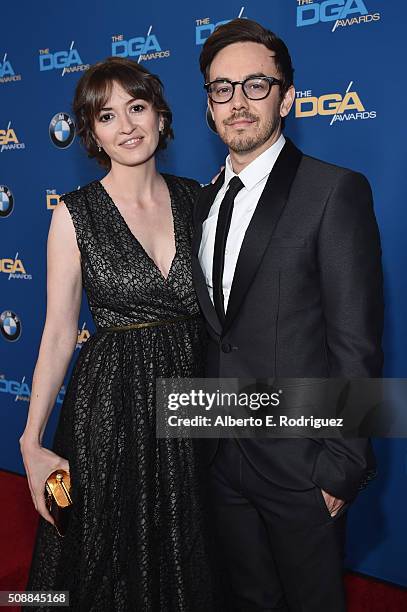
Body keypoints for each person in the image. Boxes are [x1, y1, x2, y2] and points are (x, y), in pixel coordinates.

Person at [192, 18, 384, 612]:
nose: (238, 102)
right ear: (209, 106)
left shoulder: (334, 191)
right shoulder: (200, 201)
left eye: (256, 84)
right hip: (216, 451)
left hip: (302, 466)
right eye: (222, 89)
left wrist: (342, 466)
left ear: (287, 97)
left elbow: (357, 345)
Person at [20, 57, 216, 611]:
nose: (127, 126)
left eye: (137, 107)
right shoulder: (74, 214)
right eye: (107, 116)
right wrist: (31, 440)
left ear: (159, 114)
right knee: (107, 550)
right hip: (112, 404)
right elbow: (59, 332)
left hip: (192, 390)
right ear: (91, 131)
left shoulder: (200, 200)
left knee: (194, 536)